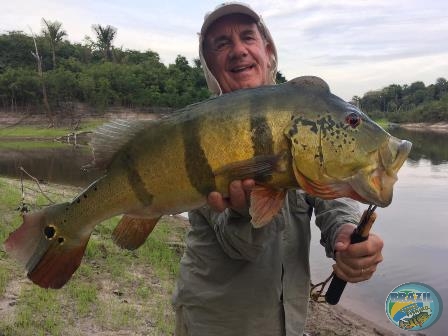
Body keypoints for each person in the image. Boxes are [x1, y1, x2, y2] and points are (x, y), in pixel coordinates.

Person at [172, 3, 384, 336]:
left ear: (268, 50)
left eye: (247, 37)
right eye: (222, 44)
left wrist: (346, 232)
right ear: (210, 65)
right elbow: (239, 244)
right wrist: (242, 213)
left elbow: (331, 187)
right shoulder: (201, 133)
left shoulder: (301, 115)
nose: (238, 50)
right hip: (215, 322)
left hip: (290, 322)